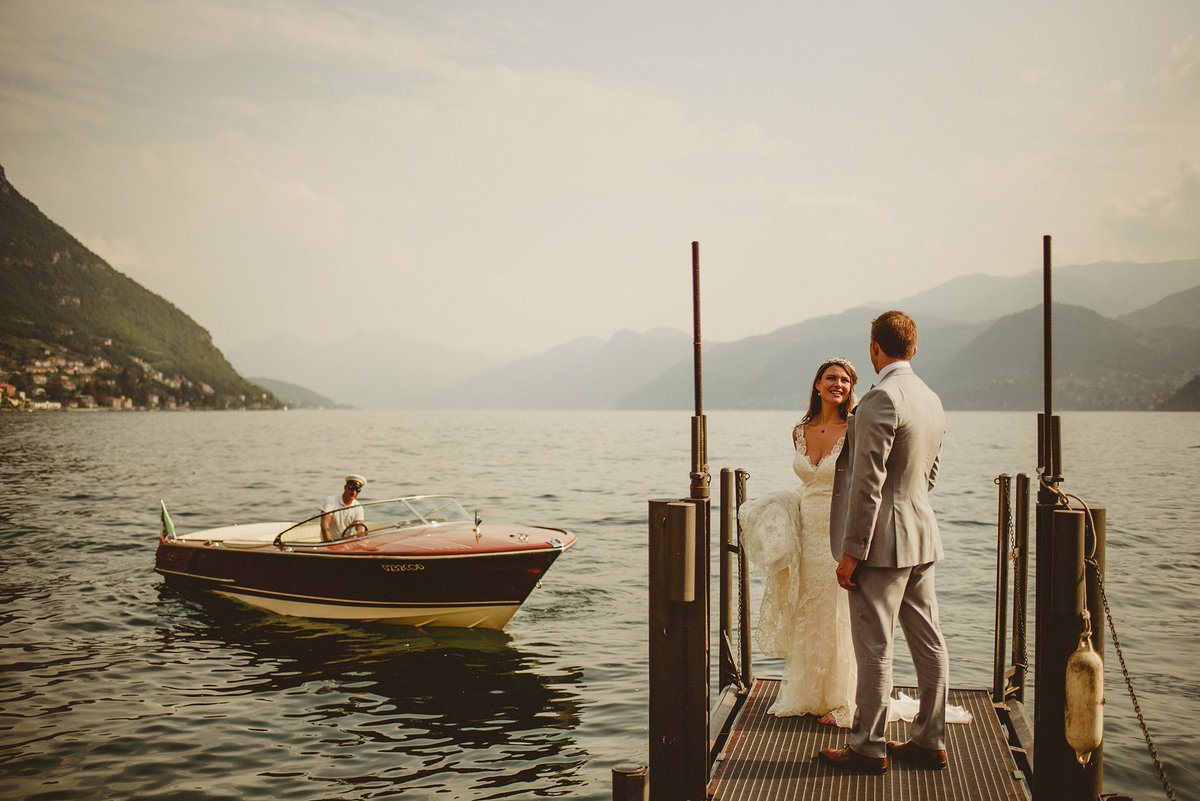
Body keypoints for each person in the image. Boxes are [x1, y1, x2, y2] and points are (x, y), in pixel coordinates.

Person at [820, 310, 950, 775]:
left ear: (875, 348)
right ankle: (929, 741)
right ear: (914, 348)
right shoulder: (930, 398)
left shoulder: (881, 398)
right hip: (921, 537)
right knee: (929, 641)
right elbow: (930, 473)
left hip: (880, 546)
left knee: (874, 648)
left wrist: (852, 552)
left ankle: (867, 748)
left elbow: (867, 484)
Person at [738, 357, 860, 727]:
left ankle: (844, 699)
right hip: (807, 530)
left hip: (839, 529)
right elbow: (809, 483)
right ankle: (810, 693)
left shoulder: (855, 428)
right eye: (831, 378)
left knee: (839, 611)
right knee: (809, 607)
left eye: (845, 380)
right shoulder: (799, 430)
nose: (838, 384)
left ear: (851, 388)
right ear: (817, 385)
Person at [321, 474, 368, 541]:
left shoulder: (358, 506)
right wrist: (328, 541)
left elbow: (359, 526)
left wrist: (360, 536)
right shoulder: (331, 501)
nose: (354, 492)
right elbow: (325, 524)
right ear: (345, 487)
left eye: (357, 490)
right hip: (330, 541)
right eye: (351, 488)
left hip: (348, 542)